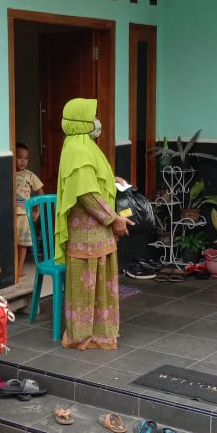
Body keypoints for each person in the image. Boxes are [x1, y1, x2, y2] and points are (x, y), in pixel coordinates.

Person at [55, 98, 133, 350]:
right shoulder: (79, 149)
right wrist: (114, 219)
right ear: (80, 122)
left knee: (98, 281)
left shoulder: (82, 145)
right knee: (87, 284)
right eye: (92, 117)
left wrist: (112, 179)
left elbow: (93, 179)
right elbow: (87, 195)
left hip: (97, 230)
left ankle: (100, 330)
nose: (97, 122)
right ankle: (84, 334)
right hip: (88, 231)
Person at [14, 142, 44, 281]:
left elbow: (39, 191)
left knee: (23, 243)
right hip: (13, 214)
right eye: (20, 157)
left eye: (26, 158)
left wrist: (37, 209)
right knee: (14, 242)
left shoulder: (30, 175)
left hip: (25, 215)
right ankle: (13, 269)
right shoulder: (10, 174)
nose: (23, 161)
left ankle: (19, 270)